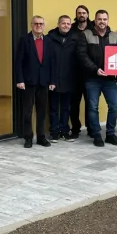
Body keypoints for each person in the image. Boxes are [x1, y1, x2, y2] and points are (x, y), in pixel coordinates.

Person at [76, 9, 117, 147]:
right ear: (95, 20)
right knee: (92, 107)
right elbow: (81, 55)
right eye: (99, 19)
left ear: (108, 20)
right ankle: (96, 134)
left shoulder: (114, 36)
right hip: (92, 78)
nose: (102, 22)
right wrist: (95, 69)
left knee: (114, 106)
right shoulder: (86, 34)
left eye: (104, 19)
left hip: (110, 79)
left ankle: (110, 134)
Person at [14, 15, 56, 148]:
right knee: (27, 111)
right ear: (31, 25)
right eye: (36, 23)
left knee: (42, 111)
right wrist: (19, 80)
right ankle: (28, 137)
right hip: (28, 82)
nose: (38, 26)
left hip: (44, 82)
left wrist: (52, 81)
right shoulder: (24, 40)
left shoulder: (48, 41)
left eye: (41, 24)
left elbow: (52, 63)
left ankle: (41, 137)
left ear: (44, 26)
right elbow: (18, 62)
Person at [47, 15, 77, 143]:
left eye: (68, 24)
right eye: (63, 23)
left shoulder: (75, 38)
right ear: (58, 24)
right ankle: (54, 132)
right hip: (53, 79)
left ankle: (65, 131)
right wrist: (50, 79)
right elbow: (46, 61)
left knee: (66, 108)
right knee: (53, 108)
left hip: (69, 79)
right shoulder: (49, 39)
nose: (66, 26)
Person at [69, 4, 96, 139]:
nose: (81, 15)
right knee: (74, 103)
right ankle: (75, 128)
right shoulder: (71, 29)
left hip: (90, 72)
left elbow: (107, 32)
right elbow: (58, 31)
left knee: (90, 102)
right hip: (74, 73)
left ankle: (91, 128)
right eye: (79, 13)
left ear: (88, 14)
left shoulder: (94, 28)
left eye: (84, 13)